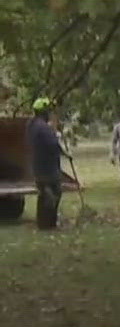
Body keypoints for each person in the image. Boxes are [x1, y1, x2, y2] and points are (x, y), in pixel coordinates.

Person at [26, 97, 66, 230]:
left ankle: (43, 224)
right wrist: (64, 152)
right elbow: (53, 144)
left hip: (38, 166)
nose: (50, 113)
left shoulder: (31, 124)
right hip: (48, 167)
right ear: (44, 112)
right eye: (49, 111)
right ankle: (50, 223)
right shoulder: (43, 127)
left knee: (43, 194)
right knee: (54, 194)